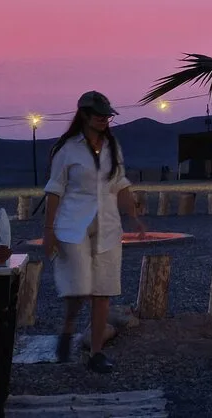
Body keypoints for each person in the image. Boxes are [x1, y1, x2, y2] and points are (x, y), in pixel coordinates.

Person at [44, 90, 145, 373]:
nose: (104, 120)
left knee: (103, 289)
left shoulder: (113, 146)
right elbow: (55, 189)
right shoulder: (67, 149)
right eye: (98, 115)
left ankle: (96, 353)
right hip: (74, 223)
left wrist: (133, 215)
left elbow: (119, 182)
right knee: (79, 287)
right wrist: (49, 230)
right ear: (84, 115)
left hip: (108, 224)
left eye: (106, 116)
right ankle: (68, 328)